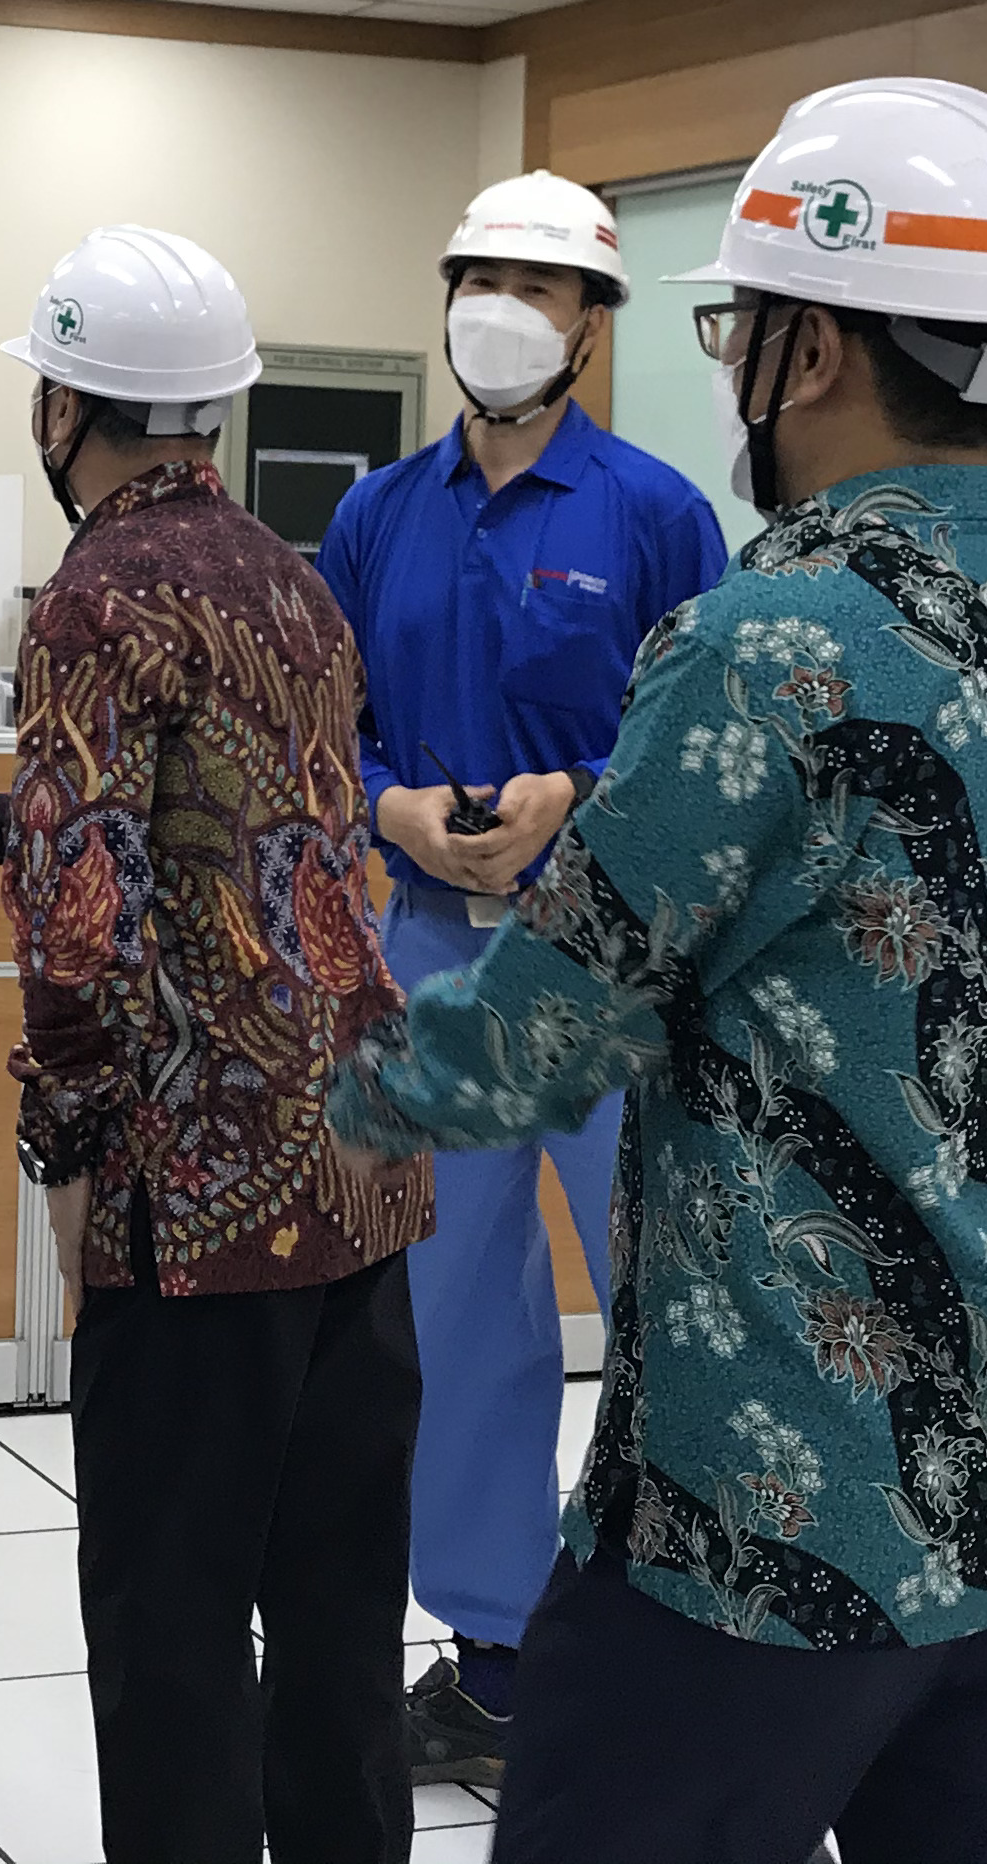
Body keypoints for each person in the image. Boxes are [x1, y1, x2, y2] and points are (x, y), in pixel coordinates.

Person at [327, 79, 987, 1864]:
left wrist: (333, 1093)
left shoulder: (764, 648)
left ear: (807, 351)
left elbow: (542, 1034)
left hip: (775, 1517)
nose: (734, 361)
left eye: (737, 325)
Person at [0, 225, 433, 1864]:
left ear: (63, 406)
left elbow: (82, 919)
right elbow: (244, 835)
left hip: (194, 1201)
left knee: (172, 1625)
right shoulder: (295, 579)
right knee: (339, 1613)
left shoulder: (94, 594)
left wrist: (64, 1143)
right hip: (354, 1165)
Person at [315, 171, 730, 1782]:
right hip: (430, 957)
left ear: (590, 326)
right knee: (452, 1320)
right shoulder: (378, 515)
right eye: (477, 280)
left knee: (671, 1308)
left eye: (538, 288)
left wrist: (579, 796)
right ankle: (495, 1659)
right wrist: (391, 810)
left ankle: (691, 1650)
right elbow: (328, 732)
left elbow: (715, 749)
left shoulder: (655, 513)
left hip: (614, 970)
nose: (500, 311)